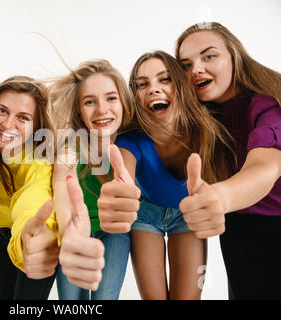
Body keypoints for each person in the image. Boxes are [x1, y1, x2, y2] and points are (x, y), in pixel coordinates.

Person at [176, 22, 281, 300]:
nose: (196, 69)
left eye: (209, 56)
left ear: (235, 56)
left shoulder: (266, 105)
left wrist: (220, 197)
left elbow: (265, 166)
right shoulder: (204, 118)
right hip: (237, 234)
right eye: (185, 65)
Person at [115, 51, 233, 299]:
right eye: (142, 84)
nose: (153, 89)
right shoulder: (131, 140)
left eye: (164, 79)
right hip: (145, 215)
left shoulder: (207, 130)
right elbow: (123, 175)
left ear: (180, 85)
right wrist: (120, 188)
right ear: (134, 96)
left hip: (187, 216)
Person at [50, 59, 139, 299]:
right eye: (89, 102)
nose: (102, 110)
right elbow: (61, 183)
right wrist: (69, 231)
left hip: (112, 233)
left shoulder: (132, 146)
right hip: (74, 230)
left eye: (111, 98)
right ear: (79, 109)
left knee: (104, 298)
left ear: (123, 101)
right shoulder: (70, 148)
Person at [0, 76, 60, 300]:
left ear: (37, 126)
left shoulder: (39, 163)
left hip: (35, 237)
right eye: (2, 111)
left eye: (23, 117)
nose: (8, 124)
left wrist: (31, 236)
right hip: (1, 236)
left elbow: (33, 198)